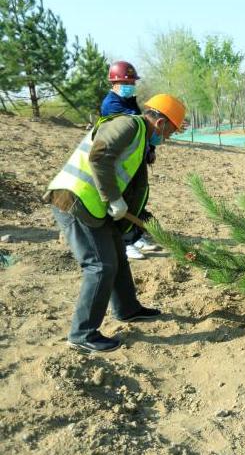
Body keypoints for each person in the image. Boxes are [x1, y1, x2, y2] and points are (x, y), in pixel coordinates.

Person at [44, 94, 187, 353]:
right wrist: (113, 198)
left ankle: (127, 309)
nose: (167, 139)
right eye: (171, 132)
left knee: (117, 255)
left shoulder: (141, 138)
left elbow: (132, 185)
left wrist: (134, 218)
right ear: (162, 123)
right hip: (75, 200)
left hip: (96, 206)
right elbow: (99, 157)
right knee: (100, 266)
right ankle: (82, 333)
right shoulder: (129, 125)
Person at [101, 61, 158, 260]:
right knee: (124, 200)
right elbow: (133, 127)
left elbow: (143, 129)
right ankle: (124, 243)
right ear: (114, 82)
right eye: (126, 81)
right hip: (121, 160)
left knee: (138, 199)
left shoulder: (129, 101)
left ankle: (134, 237)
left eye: (132, 81)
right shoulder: (111, 104)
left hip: (136, 157)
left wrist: (150, 148)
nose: (130, 85)